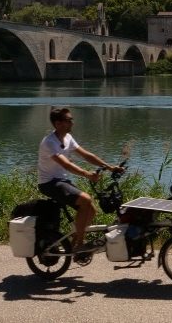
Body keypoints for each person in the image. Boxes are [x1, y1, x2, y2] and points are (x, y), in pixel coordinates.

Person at [37, 107, 123, 253]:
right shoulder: (49, 143)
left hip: (61, 181)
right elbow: (66, 164)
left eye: (72, 120)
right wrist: (87, 174)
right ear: (58, 124)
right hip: (49, 183)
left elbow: (86, 155)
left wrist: (109, 167)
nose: (72, 123)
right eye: (69, 120)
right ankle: (79, 245)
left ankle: (73, 242)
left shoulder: (67, 138)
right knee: (85, 199)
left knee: (92, 209)